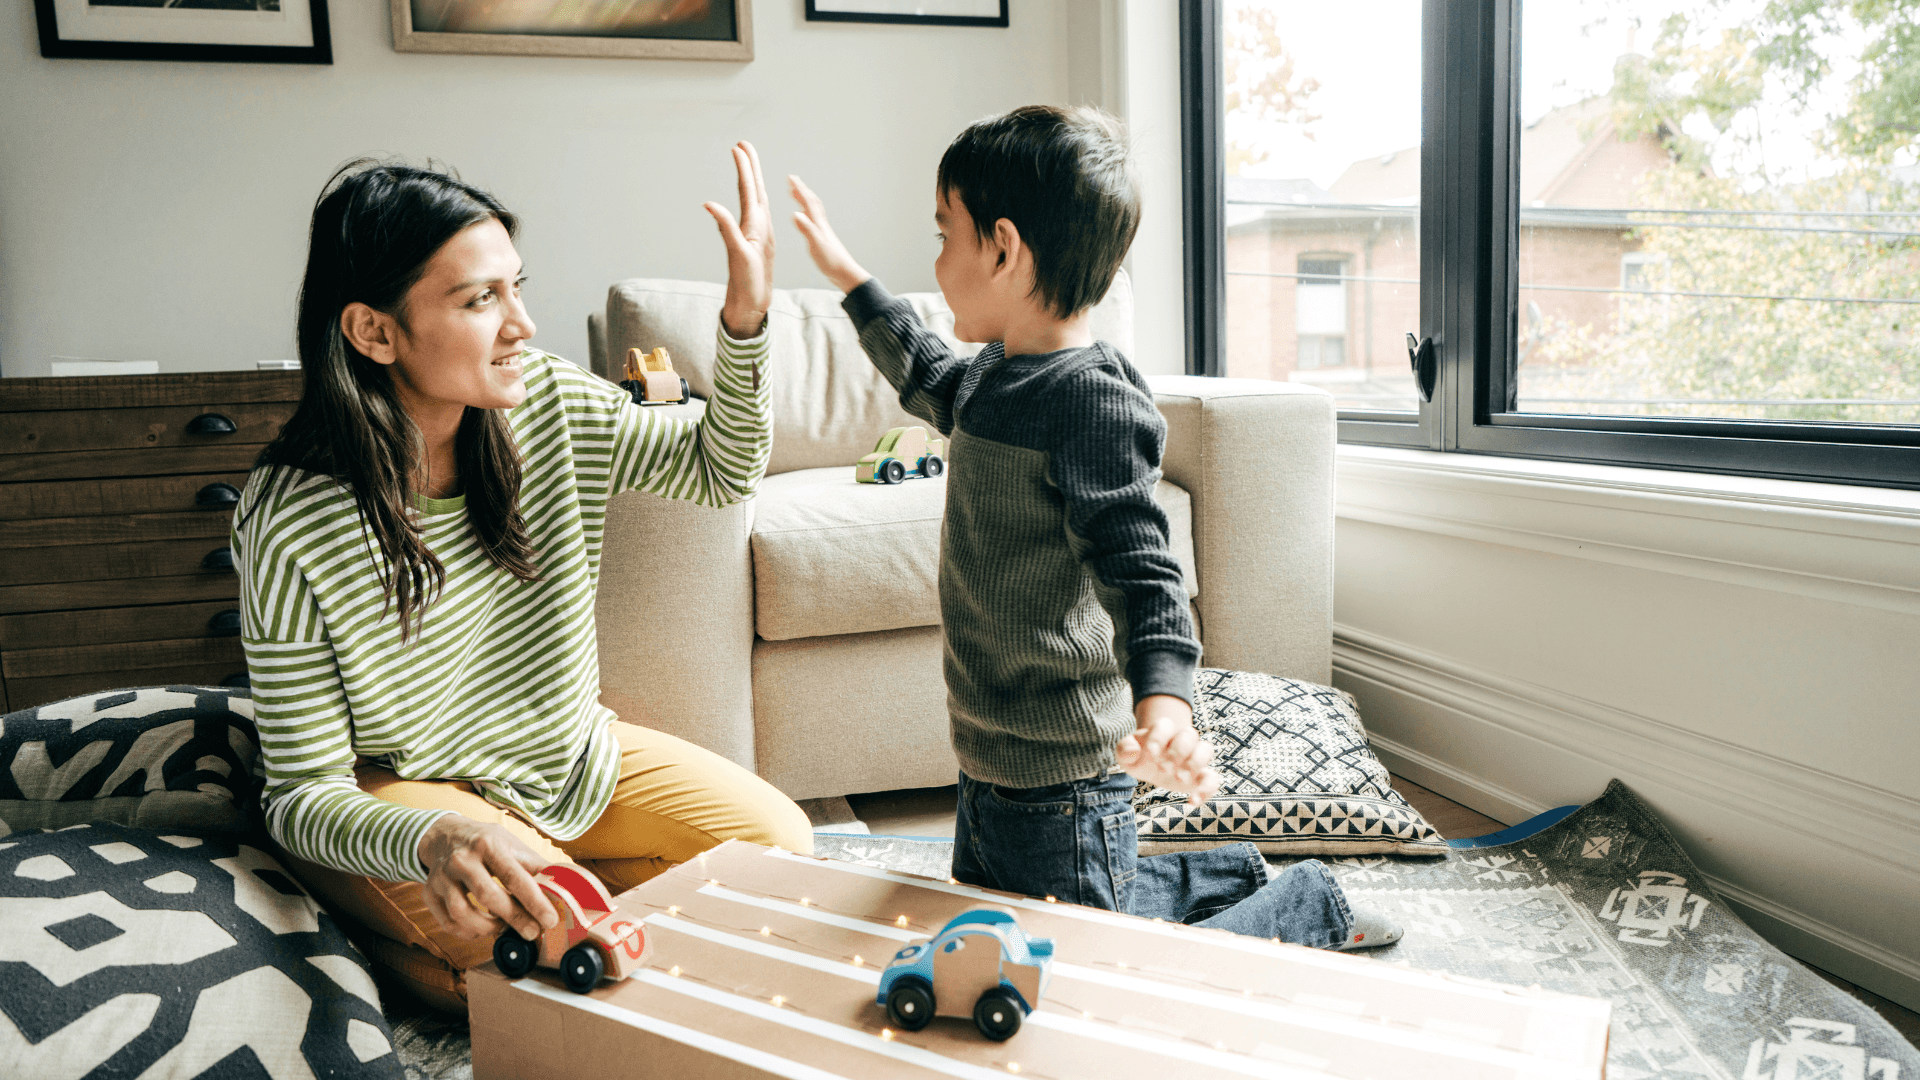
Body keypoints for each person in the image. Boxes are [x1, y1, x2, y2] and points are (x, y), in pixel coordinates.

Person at [789, 105, 1401, 950]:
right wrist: (850, 280)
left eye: (944, 235)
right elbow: (925, 371)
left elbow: (1142, 570)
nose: (934, 261)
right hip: (989, 760)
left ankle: (1308, 907)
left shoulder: (1091, 401)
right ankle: (1217, 872)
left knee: (1085, 977)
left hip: (1063, 776)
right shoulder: (997, 373)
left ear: (1001, 247)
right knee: (1004, 936)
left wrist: (1167, 709)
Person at [233, 144, 812, 1012]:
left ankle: (474, 938)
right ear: (374, 331)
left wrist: (745, 322)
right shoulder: (288, 515)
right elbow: (303, 791)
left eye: (515, 286)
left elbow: (718, 469)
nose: (522, 324)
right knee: (545, 949)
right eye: (480, 299)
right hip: (403, 802)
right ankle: (397, 940)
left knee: (779, 848)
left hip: (567, 762)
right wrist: (436, 837)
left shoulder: (540, 397)